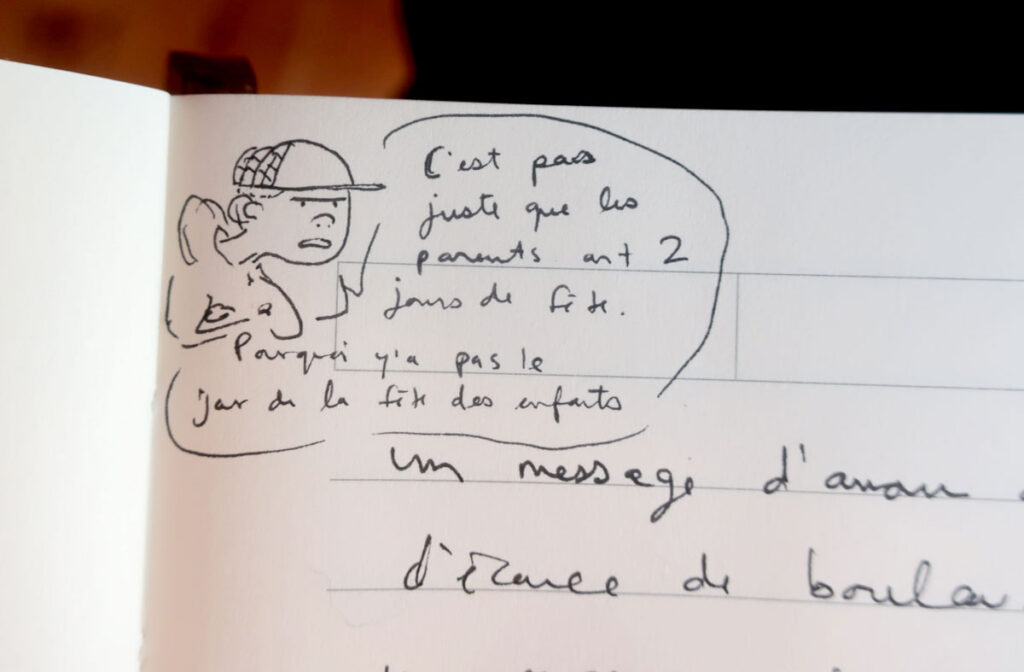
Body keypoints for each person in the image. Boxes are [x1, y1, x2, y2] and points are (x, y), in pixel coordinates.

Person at [165, 139, 384, 348]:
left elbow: (289, 329)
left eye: (337, 204)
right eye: (304, 203)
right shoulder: (198, 258)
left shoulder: (257, 280)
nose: (326, 220)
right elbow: (182, 332)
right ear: (248, 210)